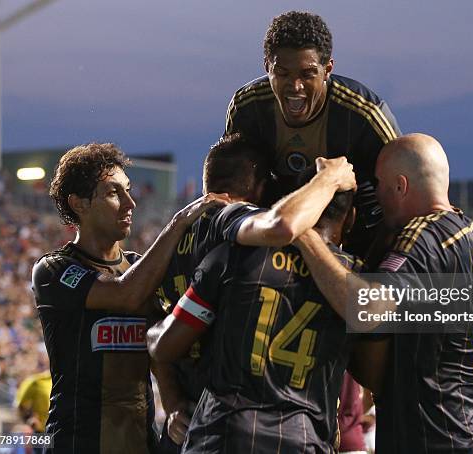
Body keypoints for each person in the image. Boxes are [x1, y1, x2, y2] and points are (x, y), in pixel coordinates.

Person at [294, 134, 473, 453]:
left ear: (400, 186)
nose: (376, 195)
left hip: (435, 440)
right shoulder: (466, 230)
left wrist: (304, 235)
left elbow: (365, 310)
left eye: (380, 184)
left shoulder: (422, 237)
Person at [154, 134, 357, 448]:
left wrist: (169, 392)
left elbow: (164, 342)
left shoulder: (225, 253)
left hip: (217, 430)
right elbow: (374, 367)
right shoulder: (357, 275)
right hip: (303, 438)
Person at [32, 143, 228, 454]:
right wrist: (178, 223)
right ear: (78, 203)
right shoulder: (54, 269)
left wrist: (174, 405)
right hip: (75, 443)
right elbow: (124, 293)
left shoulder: (139, 268)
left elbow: (157, 346)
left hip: (140, 442)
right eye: (113, 193)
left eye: (128, 190)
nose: (130, 203)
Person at [225, 10, 402, 255]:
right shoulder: (248, 106)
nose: (295, 86)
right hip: (279, 218)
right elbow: (230, 184)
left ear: (327, 69)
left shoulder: (365, 114)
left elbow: (401, 191)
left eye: (308, 74)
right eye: (283, 73)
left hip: (355, 225)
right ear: (267, 67)